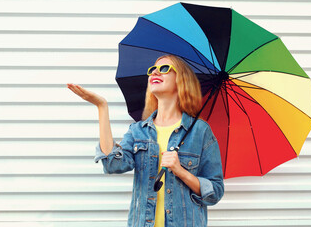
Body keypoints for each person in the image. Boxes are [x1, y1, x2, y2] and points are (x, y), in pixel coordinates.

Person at [67, 54, 224, 227]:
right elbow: (112, 164)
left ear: (181, 80)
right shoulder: (138, 131)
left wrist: (181, 171)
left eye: (164, 69)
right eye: (152, 70)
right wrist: (102, 107)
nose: (155, 73)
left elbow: (215, 192)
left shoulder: (200, 131)